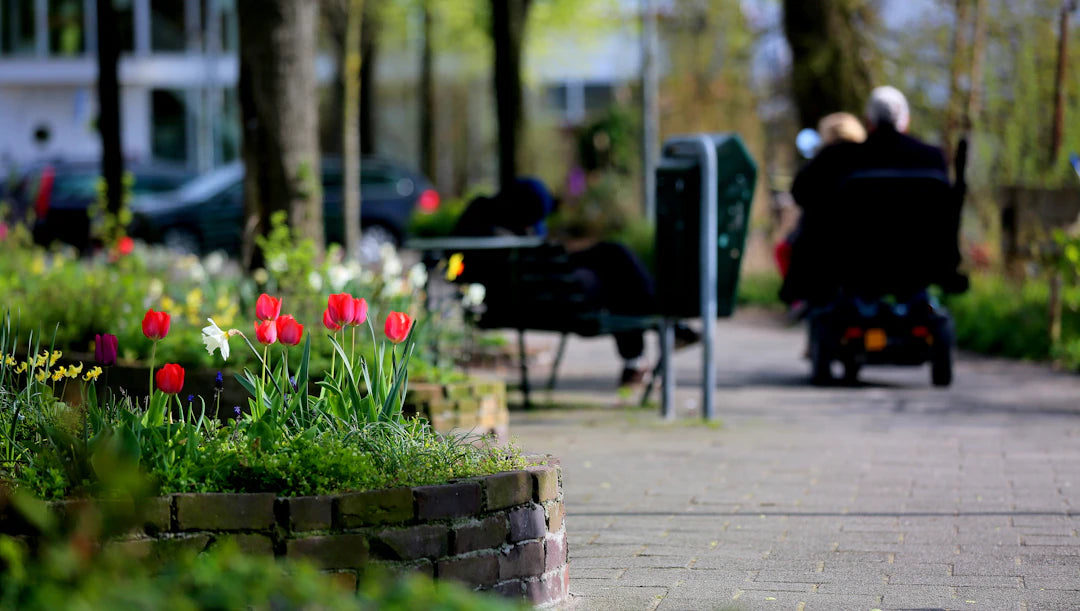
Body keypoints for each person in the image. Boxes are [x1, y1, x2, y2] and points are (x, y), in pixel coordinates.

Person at [453, 177, 698, 387]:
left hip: (543, 293)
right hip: (552, 295)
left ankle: (640, 356)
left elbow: (453, 264)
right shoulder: (499, 233)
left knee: (614, 256)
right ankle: (665, 326)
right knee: (617, 269)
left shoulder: (486, 219)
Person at [778, 112, 867, 305]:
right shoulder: (871, 157)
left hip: (821, 247)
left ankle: (799, 303)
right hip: (867, 244)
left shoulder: (821, 160)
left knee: (784, 248)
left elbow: (798, 192)